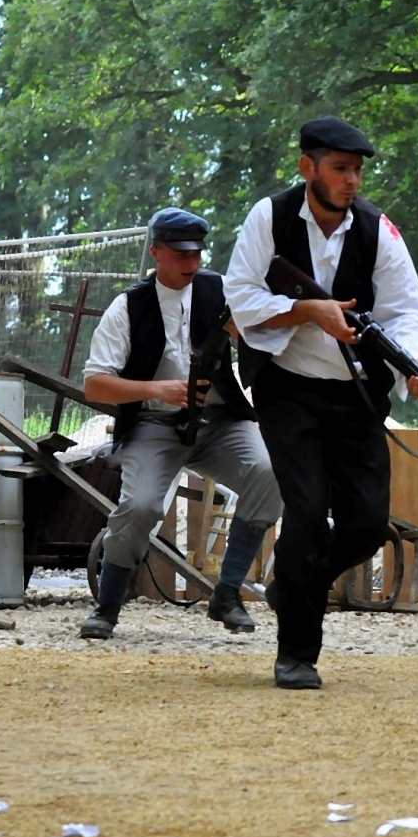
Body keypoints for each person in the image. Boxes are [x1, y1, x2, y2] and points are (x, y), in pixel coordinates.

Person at [223, 117, 418, 690]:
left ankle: (292, 584)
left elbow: (406, 312)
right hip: (288, 388)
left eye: (357, 170)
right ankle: (297, 653)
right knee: (309, 513)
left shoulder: (378, 229)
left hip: (357, 391)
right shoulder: (268, 217)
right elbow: (240, 298)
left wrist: (413, 363)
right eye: (340, 168)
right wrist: (307, 311)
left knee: (366, 526)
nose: (352, 180)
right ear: (307, 167)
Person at [79, 208, 283, 640]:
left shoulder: (222, 290)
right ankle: (107, 607)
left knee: (268, 473)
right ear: (156, 252)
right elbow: (96, 386)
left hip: (221, 421)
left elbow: (266, 339)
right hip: (155, 424)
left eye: (196, 254)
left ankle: (226, 594)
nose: (191, 263)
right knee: (142, 508)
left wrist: (244, 332)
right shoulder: (128, 306)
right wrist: (158, 390)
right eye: (179, 254)